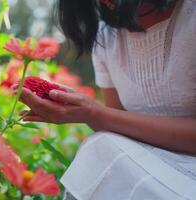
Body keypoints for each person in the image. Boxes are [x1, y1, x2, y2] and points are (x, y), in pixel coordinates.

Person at [16, 0, 196, 199]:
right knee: (101, 146)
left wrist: (96, 114)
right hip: (148, 170)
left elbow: (110, 123)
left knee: (101, 146)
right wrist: (81, 111)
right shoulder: (105, 39)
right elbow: (120, 133)